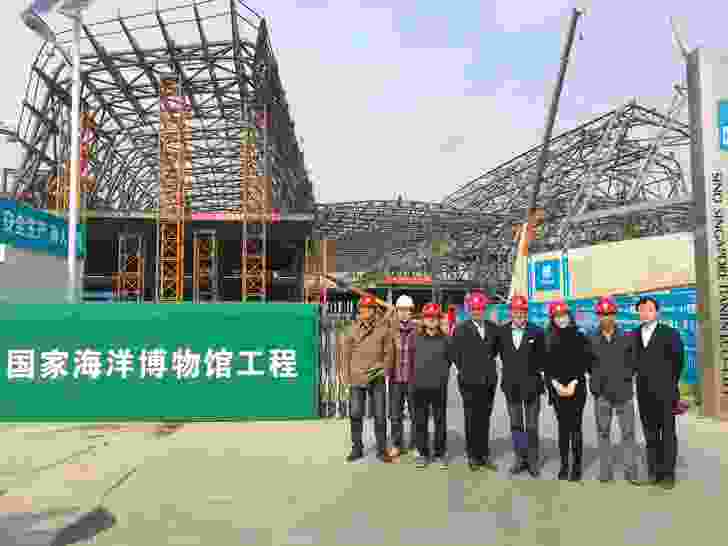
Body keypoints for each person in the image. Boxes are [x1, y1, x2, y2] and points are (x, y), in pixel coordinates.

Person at [632, 296, 684, 490]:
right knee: (651, 435)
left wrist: (670, 385)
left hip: (666, 392)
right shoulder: (634, 334)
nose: (645, 312)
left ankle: (668, 475)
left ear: (657, 312)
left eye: (649, 309)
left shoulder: (670, 333)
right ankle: (654, 472)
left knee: (668, 434)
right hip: (644, 393)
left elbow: (678, 362)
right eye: (642, 310)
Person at [588, 297, 640, 485]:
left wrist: (623, 377)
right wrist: (597, 384)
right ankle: (605, 471)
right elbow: (588, 365)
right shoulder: (591, 339)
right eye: (602, 314)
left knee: (628, 434)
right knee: (603, 433)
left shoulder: (627, 337)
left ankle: (631, 471)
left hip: (623, 394)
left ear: (615, 315)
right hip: (602, 395)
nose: (606, 318)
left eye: (609, 314)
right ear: (598, 316)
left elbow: (634, 364)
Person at [495, 295, 547, 478]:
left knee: (532, 426)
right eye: (516, 311)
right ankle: (519, 458)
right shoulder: (501, 332)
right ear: (511, 313)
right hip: (511, 387)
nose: (519, 315)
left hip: (532, 387)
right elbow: (490, 353)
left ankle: (532, 461)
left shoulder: (537, 332)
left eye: (523, 312)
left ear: (527, 313)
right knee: (516, 425)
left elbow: (544, 360)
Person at [544, 301, 594, 482]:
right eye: (557, 316)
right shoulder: (547, 337)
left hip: (576, 388)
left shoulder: (580, 335)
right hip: (557, 390)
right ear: (552, 319)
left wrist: (573, 382)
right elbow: (546, 366)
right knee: (563, 429)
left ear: (569, 316)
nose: (561, 319)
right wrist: (556, 385)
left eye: (564, 315)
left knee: (576, 428)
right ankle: (564, 465)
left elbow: (585, 362)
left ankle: (577, 467)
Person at [341, 295, 394, 463]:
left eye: (369, 308)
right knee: (355, 413)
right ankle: (357, 448)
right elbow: (345, 354)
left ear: (374, 310)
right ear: (359, 310)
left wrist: (384, 369)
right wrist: (346, 375)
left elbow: (389, 352)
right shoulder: (352, 329)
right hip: (357, 377)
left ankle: (381, 449)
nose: (366, 312)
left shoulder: (382, 328)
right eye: (363, 309)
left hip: (376, 376)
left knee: (380, 414)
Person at [450, 291, 499, 471]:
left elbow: (494, 352)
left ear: (485, 310)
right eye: (474, 309)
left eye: (480, 309)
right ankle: (472, 455)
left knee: (485, 418)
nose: (477, 312)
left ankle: (484, 454)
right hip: (469, 381)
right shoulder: (460, 330)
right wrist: (468, 369)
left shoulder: (493, 329)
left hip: (488, 381)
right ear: (469, 310)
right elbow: (455, 354)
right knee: (471, 418)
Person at [411, 303, 453, 469]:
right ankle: (422, 453)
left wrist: (441, 375)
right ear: (423, 319)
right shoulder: (415, 338)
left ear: (439, 319)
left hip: (439, 387)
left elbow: (450, 361)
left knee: (440, 421)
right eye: (428, 317)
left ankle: (440, 453)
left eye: (434, 317)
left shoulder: (447, 339)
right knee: (420, 422)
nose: (431, 320)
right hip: (419, 387)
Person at [387, 294, 417, 456]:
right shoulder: (390, 329)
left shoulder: (418, 329)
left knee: (415, 413)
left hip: (412, 379)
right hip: (395, 378)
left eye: (407, 310)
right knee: (395, 413)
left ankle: (414, 444)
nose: (404, 313)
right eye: (401, 310)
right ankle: (397, 444)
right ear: (396, 311)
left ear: (411, 311)